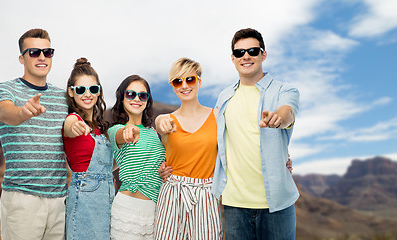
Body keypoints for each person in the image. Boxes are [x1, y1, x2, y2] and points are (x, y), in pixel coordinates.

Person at [212, 28, 300, 240]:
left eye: (252, 50)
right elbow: (212, 140)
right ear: (233, 59)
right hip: (235, 204)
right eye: (240, 52)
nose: (246, 56)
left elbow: (287, 112)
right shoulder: (224, 97)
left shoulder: (284, 90)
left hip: (277, 203)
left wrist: (277, 118)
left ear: (263, 54)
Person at [0, 28, 67, 240]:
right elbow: (4, 112)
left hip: (61, 200)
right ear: (21, 58)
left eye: (47, 52)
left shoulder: (63, 97)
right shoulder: (6, 90)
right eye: (34, 52)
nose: (42, 57)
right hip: (22, 200)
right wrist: (22, 112)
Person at [154, 58, 223, 240]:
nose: (184, 85)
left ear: (199, 82)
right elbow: (160, 124)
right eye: (177, 81)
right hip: (172, 194)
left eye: (189, 79)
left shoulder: (216, 116)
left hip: (206, 196)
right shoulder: (165, 118)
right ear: (173, 86)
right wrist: (163, 125)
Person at [108, 75, 166, 239]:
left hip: (155, 212)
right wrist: (128, 131)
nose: (137, 99)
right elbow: (122, 134)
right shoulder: (115, 130)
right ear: (122, 98)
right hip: (127, 212)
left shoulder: (154, 133)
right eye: (131, 94)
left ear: (147, 100)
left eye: (143, 95)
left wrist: (163, 170)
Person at [63, 57, 114, 240]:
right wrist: (73, 127)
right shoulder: (73, 119)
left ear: (99, 91)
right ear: (71, 92)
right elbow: (69, 127)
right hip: (84, 199)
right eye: (81, 89)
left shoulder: (101, 127)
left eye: (93, 89)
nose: (87, 94)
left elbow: (106, 165)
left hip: (108, 198)